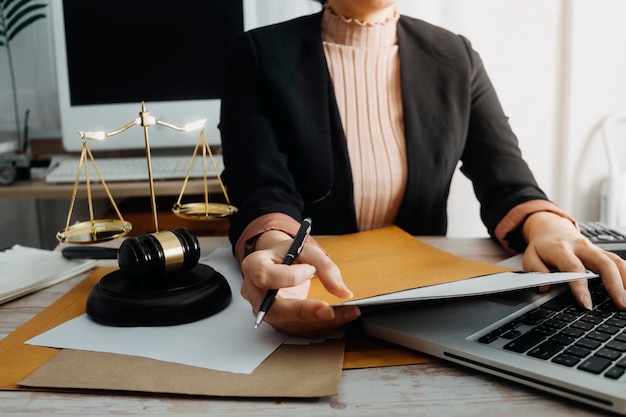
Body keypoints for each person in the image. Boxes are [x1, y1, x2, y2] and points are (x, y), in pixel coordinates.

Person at [219, 0, 626, 337]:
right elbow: (260, 183)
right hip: (305, 295)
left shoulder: (454, 54)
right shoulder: (258, 54)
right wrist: (274, 244)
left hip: (426, 311)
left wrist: (549, 226)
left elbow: (505, 177)